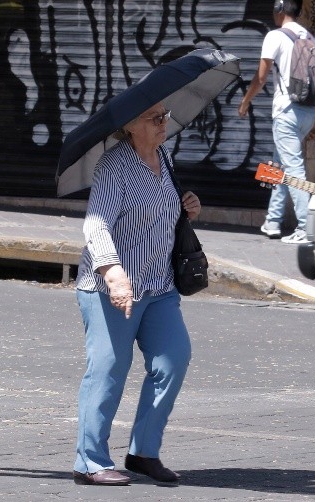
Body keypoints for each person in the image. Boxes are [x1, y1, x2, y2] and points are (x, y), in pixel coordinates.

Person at [72, 102, 200, 486]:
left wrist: (187, 207)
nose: (164, 122)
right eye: (155, 118)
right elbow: (96, 226)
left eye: (166, 115)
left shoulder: (165, 157)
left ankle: (143, 452)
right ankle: (90, 462)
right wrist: (113, 272)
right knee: (108, 369)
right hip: (111, 287)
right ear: (130, 125)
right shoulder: (114, 167)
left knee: (173, 359)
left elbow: (162, 213)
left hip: (159, 285)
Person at [238, 0, 315, 244]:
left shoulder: (275, 36)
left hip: (287, 111)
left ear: (280, 9)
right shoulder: (311, 37)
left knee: (293, 170)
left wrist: (245, 101)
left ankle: (305, 228)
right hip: (308, 111)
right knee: (280, 167)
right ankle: (273, 221)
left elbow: (261, 77)